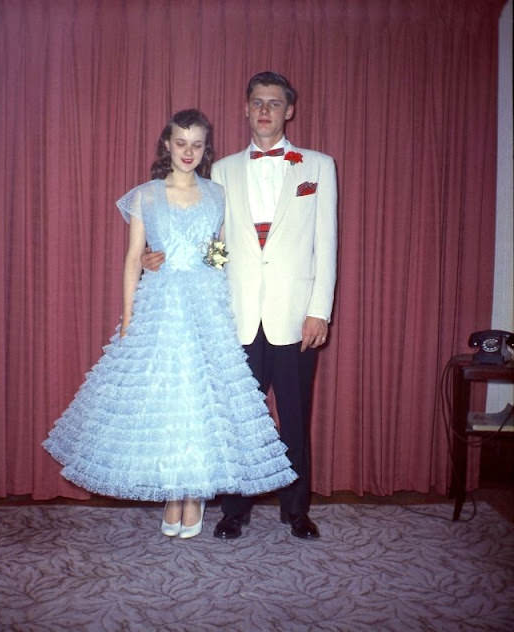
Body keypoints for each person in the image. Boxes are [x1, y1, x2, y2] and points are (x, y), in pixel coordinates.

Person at [43, 109, 297, 539]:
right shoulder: (144, 195)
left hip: (205, 309)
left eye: (197, 144)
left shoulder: (218, 194)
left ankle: (193, 494)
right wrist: (128, 318)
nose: (188, 152)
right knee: (165, 401)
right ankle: (172, 492)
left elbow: (223, 250)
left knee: (199, 400)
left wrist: (215, 260)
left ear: (205, 149)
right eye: (181, 143)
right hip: (160, 307)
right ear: (167, 144)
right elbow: (131, 260)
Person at [144, 72, 337, 540]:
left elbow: (326, 245)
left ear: (289, 110)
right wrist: (167, 259)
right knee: (235, 420)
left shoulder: (318, 165)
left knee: (294, 419)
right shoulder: (224, 170)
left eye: (274, 103)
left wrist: (320, 310)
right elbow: (219, 245)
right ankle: (234, 511)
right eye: (257, 103)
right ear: (246, 110)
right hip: (235, 317)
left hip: (295, 319)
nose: (265, 111)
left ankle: (296, 511)